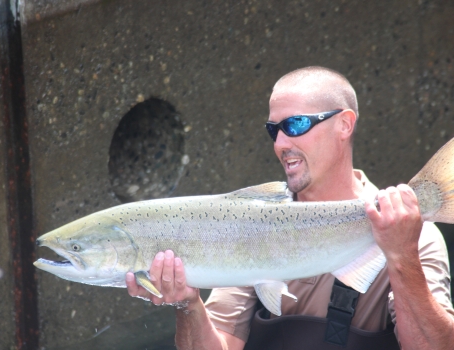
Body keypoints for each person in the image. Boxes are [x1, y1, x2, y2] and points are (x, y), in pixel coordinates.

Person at [126, 66, 454, 349]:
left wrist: (402, 255)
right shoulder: (252, 224)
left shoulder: (412, 231)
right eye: (274, 130)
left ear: (345, 125)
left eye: (296, 125)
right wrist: (187, 303)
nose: (281, 144)